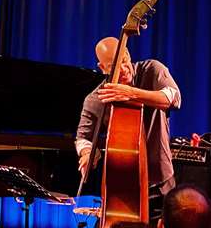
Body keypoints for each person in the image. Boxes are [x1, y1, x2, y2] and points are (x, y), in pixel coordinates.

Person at [75, 36, 181, 220]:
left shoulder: (152, 70)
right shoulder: (96, 99)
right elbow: (83, 137)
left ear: (128, 54)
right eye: (114, 67)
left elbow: (173, 98)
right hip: (123, 187)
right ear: (102, 68)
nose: (123, 69)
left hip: (160, 180)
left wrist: (132, 93)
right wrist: (86, 153)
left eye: (124, 61)